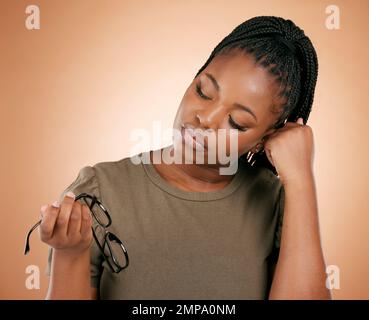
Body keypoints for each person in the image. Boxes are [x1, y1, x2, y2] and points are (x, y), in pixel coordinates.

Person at [41, 16, 331, 299]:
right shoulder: (99, 191)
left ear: (264, 140)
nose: (205, 118)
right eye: (203, 91)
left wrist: (300, 179)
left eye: (237, 122)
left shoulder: (279, 203)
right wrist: (69, 255)